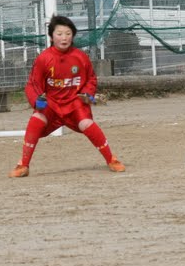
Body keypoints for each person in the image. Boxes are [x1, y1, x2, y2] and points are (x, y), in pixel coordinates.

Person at [9, 15, 125, 178]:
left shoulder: (80, 57)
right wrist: (37, 101)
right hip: (52, 105)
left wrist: (87, 94)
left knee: (87, 123)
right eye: (59, 34)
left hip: (74, 104)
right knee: (37, 119)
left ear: (73, 35)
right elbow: (32, 84)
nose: (64, 38)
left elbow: (91, 78)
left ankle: (111, 159)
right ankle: (23, 165)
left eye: (68, 33)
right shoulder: (44, 58)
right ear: (51, 36)